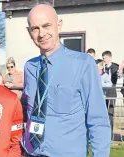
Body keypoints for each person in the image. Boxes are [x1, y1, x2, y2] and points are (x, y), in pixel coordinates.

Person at [21, 4, 111, 157]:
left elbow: (98, 121)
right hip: (31, 153)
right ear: (29, 32)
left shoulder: (83, 64)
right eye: (35, 28)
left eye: (46, 25)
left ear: (59, 25)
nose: (41, 33)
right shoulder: (30, 67)